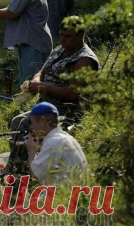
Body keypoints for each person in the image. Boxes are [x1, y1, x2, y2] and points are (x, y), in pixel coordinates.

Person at [6, 16, 99, 175]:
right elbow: (42, 72)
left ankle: (20, 172)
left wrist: (45, 87)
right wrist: (35, 81)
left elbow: (74, 94)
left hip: (67, 111)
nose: (63, 39)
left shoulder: (85, 60)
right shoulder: (59, 50)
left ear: (80, 36)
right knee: (16, 121)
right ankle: (20, 166)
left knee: (25, 125)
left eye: (67, 36)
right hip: (46, 106)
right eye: (61, 35)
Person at [26, 102, 88, 185]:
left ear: (43, 121)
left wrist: (31, 150)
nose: (31, 127)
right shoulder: (68, 138)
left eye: (32, 122)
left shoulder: (53, 142)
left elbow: (36, 174)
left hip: (65, 195)